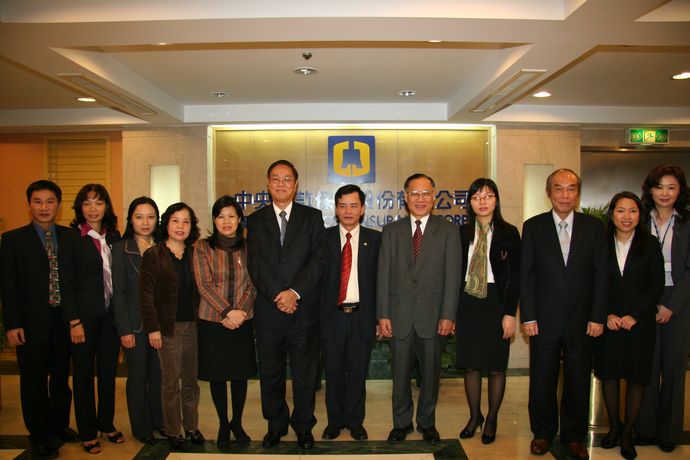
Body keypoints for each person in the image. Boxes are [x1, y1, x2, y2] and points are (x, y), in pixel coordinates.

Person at [520, 168, 607, 460]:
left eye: (571, 189)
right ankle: (542, 434)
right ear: (549, 192)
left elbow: (600, 276)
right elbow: (527, 275)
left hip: (582, 321)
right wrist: (528, 316)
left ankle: (573, 435)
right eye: (559, 188)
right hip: (543, 320)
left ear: (577, 193)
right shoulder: (533, 226)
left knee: (578, 379)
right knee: (541, 379)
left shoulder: (594, 228)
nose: (565, 195)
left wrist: (597, 317)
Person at [246, 159, 326, 449]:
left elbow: (318, 261)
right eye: (275, 179)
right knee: (271, 374)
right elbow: (255, 264)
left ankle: (304, 426)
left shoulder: (312, 217)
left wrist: (295, 292)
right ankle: (276, 424)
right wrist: (279, 295)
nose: (281, 184)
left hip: (303, 311)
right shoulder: (254, 221)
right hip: (269, 311)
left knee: (306, 375)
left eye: (287, 179)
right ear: (268, 184)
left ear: (296, 184)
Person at [377, 173, 461, 444]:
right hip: (399, 316)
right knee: (399, 376)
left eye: (426, 193)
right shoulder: (391, 231)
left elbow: (453, 277)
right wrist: (383, 315)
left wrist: (448, 315)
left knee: (430, 376)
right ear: (405, 197)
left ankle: (427, 423)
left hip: (433, 317)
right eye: (415, 193)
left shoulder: (447, 231)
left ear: (434, 197)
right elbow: (383, 276)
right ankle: (400, 424)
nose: (420, 199)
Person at [0, 180, 78, 457]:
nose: (44, 207)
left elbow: (74, 281)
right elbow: (7, 287)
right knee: (32, 382)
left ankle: (59, 425)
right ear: (29, 204)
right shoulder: (12, 240)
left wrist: (75, 320)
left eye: (49, 201)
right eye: (37, 201)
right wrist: (12, 324)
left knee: (60, 378)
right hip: (29, 324)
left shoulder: (69, 236)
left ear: (58, 204)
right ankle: (39, 434)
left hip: (62, 321)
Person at [593, 191, 664, 460]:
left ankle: (627, 434)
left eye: (632, 211)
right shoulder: (601, 244)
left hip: (639, 324)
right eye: (621, 211)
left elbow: (655, 285)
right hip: (609, 323)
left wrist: (635, 315)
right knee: (609, 375)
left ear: (639, 215)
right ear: (612, 214)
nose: (627, 216)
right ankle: (613, 427)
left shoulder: (650, 244)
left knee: (636, 379)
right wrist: (607, 313)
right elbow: (595, 281)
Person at [59, 183, 124, 454]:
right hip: (83, 319)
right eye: (87, 203)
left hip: (110, 317)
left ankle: (106, 422)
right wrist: (73, 321)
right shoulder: (72, 238)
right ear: (79, 208)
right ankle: (87, 429)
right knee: (84, 374)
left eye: (98, 202)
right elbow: (66, 282)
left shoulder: (114, 236)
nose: (93, 208)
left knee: (108, 373)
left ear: (106, 206)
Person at [456, 178, 520, 445]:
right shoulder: (461, 233)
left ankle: (492, 418)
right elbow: (454, 273)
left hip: (496, 303)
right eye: (476, 197)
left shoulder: (509, 233)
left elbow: (515, 277)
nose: (482, 201)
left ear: (496, 200)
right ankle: (474, 416)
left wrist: (509, 313)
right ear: (469, 202)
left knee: (495, 367)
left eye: (488, 196)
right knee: (470, 364)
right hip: (468, 302)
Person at [192, 195, 257, 449]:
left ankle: (237, 423)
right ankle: (222, 423)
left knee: (239, 375)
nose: (226, 221)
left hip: (242, 319)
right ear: (214, 220)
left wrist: (239, 312)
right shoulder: (202, 248)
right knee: (218, 376)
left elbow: (253, 284)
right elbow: (204, 285)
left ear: (239, 219)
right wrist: (228, 312)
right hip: (212, 321)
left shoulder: (250, 247)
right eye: (221, 216)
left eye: (231, 216)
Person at [139, 202, 205, 451]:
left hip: (193, 326)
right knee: (170, 383)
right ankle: (173, 430)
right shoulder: (153, 255)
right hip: (167, 328)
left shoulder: (195, 253)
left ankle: (191, 426)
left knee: (190, 381)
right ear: (166, 224)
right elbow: (145, 295)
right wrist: (152, 328)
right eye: (175, 221)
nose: (180, 226)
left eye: (186, 221)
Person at [320, 184, 381, 441]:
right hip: (331, 316)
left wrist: (380, 317)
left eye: (353, 205)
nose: (348, 211)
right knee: (333, 373)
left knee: (358, 373)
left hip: (362, 316)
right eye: (342, 205)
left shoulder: (376, 239)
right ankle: (334, 422)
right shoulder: (322, 238)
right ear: (335, 209)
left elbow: (382, 281)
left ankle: (356, 422)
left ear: (363, 209)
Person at [636, 165, 690, 453]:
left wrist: (671, 305)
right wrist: (650, 301)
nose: (665, 193)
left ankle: (668, 432)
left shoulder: (687, 222)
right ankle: (644, 428)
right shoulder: (641, 219)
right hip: (647, 297)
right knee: (648, 365)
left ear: (680, 190)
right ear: (650, 190)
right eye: (659, 187)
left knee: (673, 366)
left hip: (680, 300)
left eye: (671, 187)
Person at [111, 197, 164, 445]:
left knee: (159, 376)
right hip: (134, 326)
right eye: (139, 216)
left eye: (151, 216)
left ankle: (159, 422)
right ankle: (141, 427)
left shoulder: (164, 246)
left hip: (161, 326)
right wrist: (124, 329)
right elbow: (118, 293)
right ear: (130, 219)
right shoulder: (121, 249)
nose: (145, 222)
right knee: (138, 376)